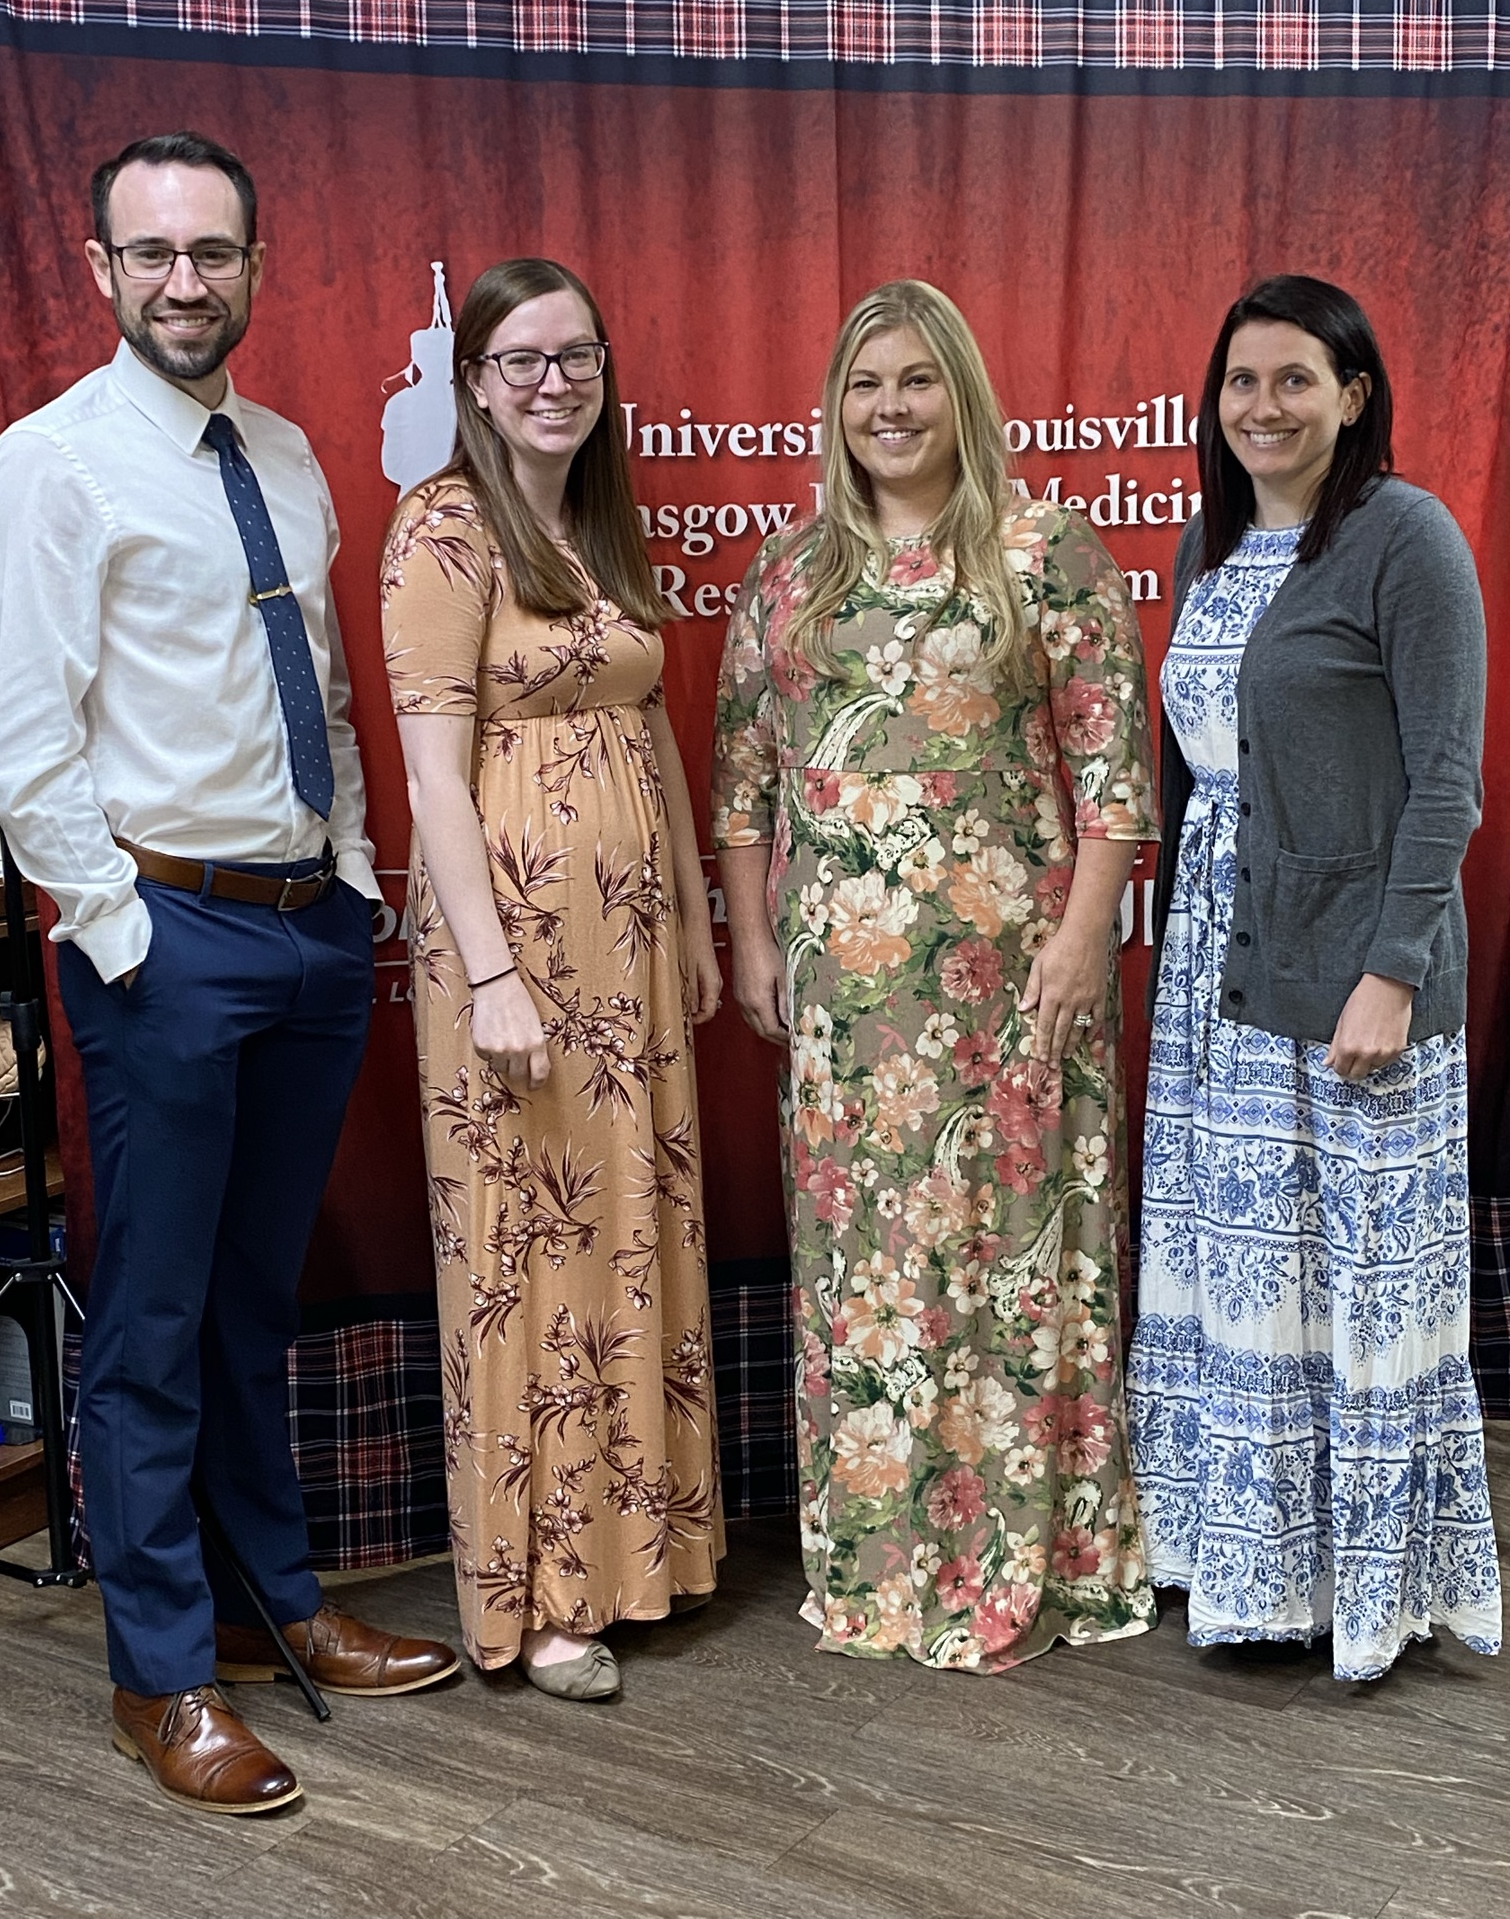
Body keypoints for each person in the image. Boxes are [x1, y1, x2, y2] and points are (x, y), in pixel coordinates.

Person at [0, 132, 458, 1815]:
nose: (189, 281)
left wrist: (344, 889)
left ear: (257, 265)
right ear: (104, 270)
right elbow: (26, 739)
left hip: (307, 933)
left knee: (256, 1306)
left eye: (217, 252)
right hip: (163, 939)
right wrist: (119, 933)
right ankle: (161, 1676)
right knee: (157, 1327)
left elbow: (313, 681)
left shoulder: (290, 451)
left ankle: (280, 1612)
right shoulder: (50, 466)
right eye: (155, 253)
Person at [712, 279, 1158, 1672]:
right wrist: (752, 936)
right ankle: (884, 1568)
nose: (889, 409)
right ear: (834, 410)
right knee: (873, 1274)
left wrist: (1086, 936)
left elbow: (1113, 776)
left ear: (962, 393)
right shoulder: (789, 572)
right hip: (852, 1011)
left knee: (1018, 1262)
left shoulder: (1047, 552)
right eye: (864, 386)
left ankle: (1037, 1553)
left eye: (915, 381)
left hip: (1018, 983)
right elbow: (744, 785)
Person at [1125, 275, 1503, 1679]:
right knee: (1243, 1270)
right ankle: (1244, 1573)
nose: (1261, 408)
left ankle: (1365, 1583)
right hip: (1221, 973)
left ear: (1354, 396)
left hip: (1354, 972)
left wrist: (1393, 972)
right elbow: (1193, 771)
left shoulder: (1405, 538)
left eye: (1294, 381)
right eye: (1239, 383)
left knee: (1356, 1276)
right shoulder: (1206, 548)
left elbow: (1448, 782)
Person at [381, 257, 724, 1700]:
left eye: (575, 355)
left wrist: (698, 914)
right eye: (520, 358)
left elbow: (645, 732)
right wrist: (494, 974)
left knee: (626, 1233)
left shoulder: (594, 524)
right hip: (515, 955)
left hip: (630, 956)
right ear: (471, 380)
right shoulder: (443, 529)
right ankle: (547, 1597)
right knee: (534, 1254)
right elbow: (433, 777)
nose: (551, 381)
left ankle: (644, 1558)